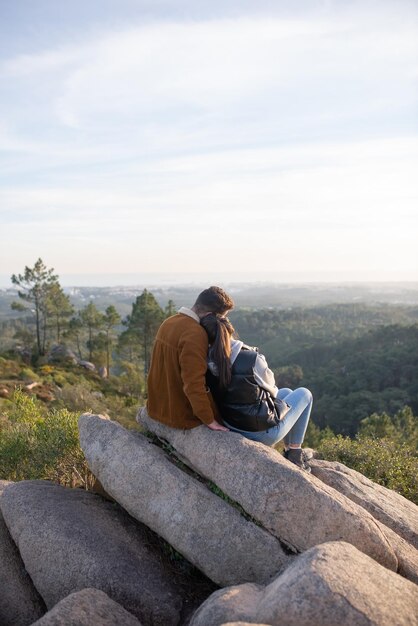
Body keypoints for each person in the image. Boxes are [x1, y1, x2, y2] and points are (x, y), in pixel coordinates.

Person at [200, 313, 313, 471]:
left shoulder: (203, 360)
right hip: (260, 432)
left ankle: (290, 451)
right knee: (305, 393)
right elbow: (272, 388)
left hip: (230, 422)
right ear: (230, 331)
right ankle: (294, 454)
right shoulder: (250, 358)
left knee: (286, 391)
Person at [146, 286, 234, 431]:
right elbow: (193, 383)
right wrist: (210, 420)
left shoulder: (169, 321)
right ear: (211, 315)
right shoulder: (195, 334)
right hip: (180, 416)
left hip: (157, 407)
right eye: (222, 317)